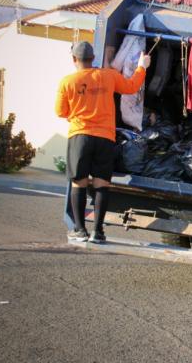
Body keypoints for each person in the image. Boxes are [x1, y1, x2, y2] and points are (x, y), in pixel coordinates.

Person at [55, 41, 150, 243]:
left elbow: (60, 112)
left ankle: (80, 230)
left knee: (78, 183)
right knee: (101, 184)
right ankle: (98, 232)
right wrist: (142, 65)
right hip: (105, 138)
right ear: (93, 59)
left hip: (80, 136)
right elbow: (132, 86)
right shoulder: (108, 75)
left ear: (74, 60)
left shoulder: (67, 82)